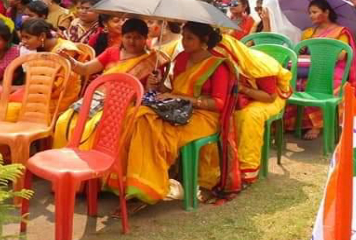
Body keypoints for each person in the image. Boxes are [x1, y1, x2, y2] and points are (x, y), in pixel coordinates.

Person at [111, 22, 238, 205]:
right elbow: (174, 91)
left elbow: (218, 104)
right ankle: (136, 182)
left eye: (190, 38)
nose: (184, 42)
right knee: (138, 117)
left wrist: (181, 98)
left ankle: (149, 185)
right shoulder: (182, 58)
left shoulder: (218, 65)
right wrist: (157, 85)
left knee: (155, 129)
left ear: (205, 40)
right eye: (183, 36)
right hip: (176, 110)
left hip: (204, 116)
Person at [53, 18, 166, 149]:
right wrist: (71, 61)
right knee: (64, 121)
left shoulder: (152, 61)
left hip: (125, 104)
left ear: (146, 38)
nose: (132, 41)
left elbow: (150, 93)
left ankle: (87, 158)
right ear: (122, 37)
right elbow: (85, 69)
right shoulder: (112, 52)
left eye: (137, 38)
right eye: (128, 37)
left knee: (93, 127)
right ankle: (65, 155)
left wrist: (152, 85)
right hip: (99, 98)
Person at [215, 35, 291, 184]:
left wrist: (243, 89)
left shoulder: (258, 66)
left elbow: (270, 96)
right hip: (241, 96)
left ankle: (247, 171)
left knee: (249, 116)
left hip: (270, 96)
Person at [285, 0, 356, 140]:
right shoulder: (308, 32)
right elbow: (302, 52)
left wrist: (321, 51)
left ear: (326, 12)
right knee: (291, 83)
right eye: (310, 13)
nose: (311, 15)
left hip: (333, 69)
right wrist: (305, 50)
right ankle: (295, 123)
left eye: (314, 12)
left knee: (325, 85)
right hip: (311, 68)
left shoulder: (341, 32)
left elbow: (341, 55)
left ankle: (317, 125)